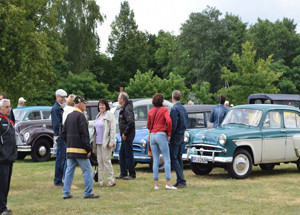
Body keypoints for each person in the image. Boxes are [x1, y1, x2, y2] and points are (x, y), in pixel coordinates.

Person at [61, 96, 99, 199]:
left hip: (70, 149)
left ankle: (66, 193)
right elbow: (84, 135)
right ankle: (88, 192)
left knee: (69, 171)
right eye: (84, 103)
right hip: (81, 150)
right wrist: (88, 149)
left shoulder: (69, 116)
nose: (85, 105)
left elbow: (63, 134)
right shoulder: (82, 116)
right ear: (80, 104)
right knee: (87, 171)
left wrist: (70, 143)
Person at [147, 93, 176, 190]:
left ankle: (156, 184)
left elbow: (148, 125)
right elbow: (169, 121)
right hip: (161, 134)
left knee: (155, 160)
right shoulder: (164, 109)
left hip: (152, 136)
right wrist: (169, 132)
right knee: (167, 159)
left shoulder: (151, 111)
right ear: (162, 101)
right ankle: (168, 182)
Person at [92, 99, 116, 187]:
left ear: (106, 106)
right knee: (100, 162)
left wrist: (111, 142)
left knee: (106, 161)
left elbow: (113, 130)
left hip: (106, 142)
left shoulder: (110, 115)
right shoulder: (98, 116)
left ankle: (111, 180)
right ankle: (101, 181)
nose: (101, 106)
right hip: (98, 143)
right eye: (100, 105)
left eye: (103, 105)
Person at [0, 99, 17, 215]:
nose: (9, 109)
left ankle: (4, 206)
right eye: (6, 107)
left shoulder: (9, 121)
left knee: (6, 184)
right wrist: (2, 153)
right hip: (2, 158)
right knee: (1, 184)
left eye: (9, 107)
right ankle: (1, 209)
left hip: (9, 157)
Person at [169, 90, 188, 189]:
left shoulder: (174, 109)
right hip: (182, 134)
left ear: (172, 97)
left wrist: (169, 134)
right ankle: (179, 179)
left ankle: (181, 179)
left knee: (174, 157)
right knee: (179, 158)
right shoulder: (183, 108)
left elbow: (173, 124)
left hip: (176, 135)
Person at [115, 92, 136, 180]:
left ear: (122, 99)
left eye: (119, 98)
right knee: (122, 154)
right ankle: (123, 173)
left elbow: (130, 122)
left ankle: (132, 174)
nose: (117, 99)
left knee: (128, 155)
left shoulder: (127, 108)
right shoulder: (124, 108)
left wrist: (125, 133)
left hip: (127, 135)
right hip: (124, 135)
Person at [51, 89, 67, 186]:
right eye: (62, 97)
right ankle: (57, 180)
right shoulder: (56, 109)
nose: (64, 99)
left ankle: (60, 179)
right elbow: (56, 125)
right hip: (60, 136)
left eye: (64, 97)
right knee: (60, 159)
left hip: (63, 136)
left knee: (63, 158)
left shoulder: (62, 107)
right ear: (57, 97)